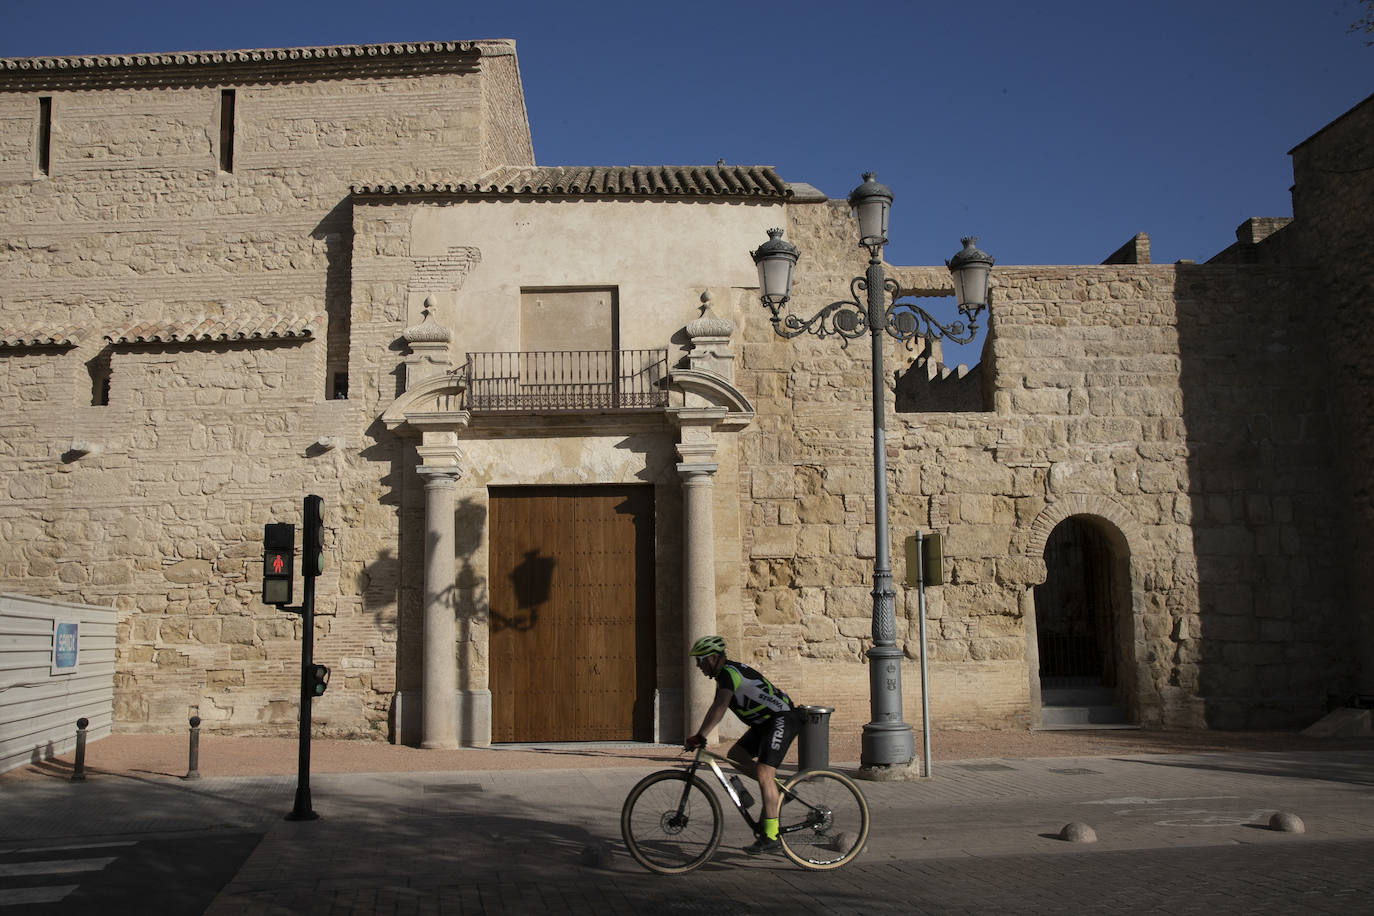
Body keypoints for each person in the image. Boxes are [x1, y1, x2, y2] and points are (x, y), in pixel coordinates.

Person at [684, 635, 802, 854]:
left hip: (782, 719)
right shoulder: (724, 675)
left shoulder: (729, 673)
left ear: (711, 658)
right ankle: (776, 791)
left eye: (699, 660)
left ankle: (771, 835)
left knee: (765, 773)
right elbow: (717, 706)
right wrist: (701, 734)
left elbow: (720, 706)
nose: (698, 665)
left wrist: (701, 735)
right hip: (765, 724)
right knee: (736, 754)